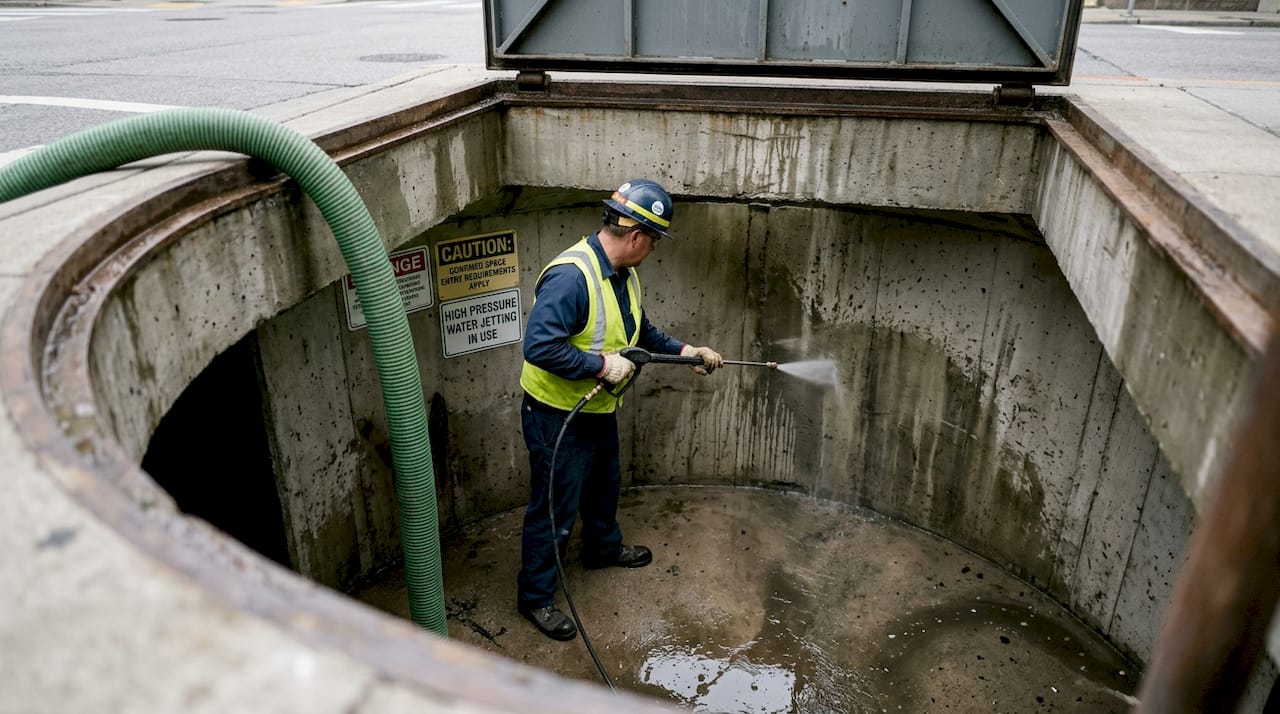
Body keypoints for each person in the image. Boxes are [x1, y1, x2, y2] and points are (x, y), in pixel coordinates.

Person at [516, 179, 724, 641]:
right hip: (556, 415)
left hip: (596, 411)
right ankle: (535, 597)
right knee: (554, 508)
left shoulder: (624, 274)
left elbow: (640, 331)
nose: (652, 250)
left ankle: (603, 549)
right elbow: (538, 347)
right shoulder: (572, 277)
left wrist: (690, 351)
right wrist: (600, 365)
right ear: (636, 236)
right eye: (654, 241)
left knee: (604, 485)